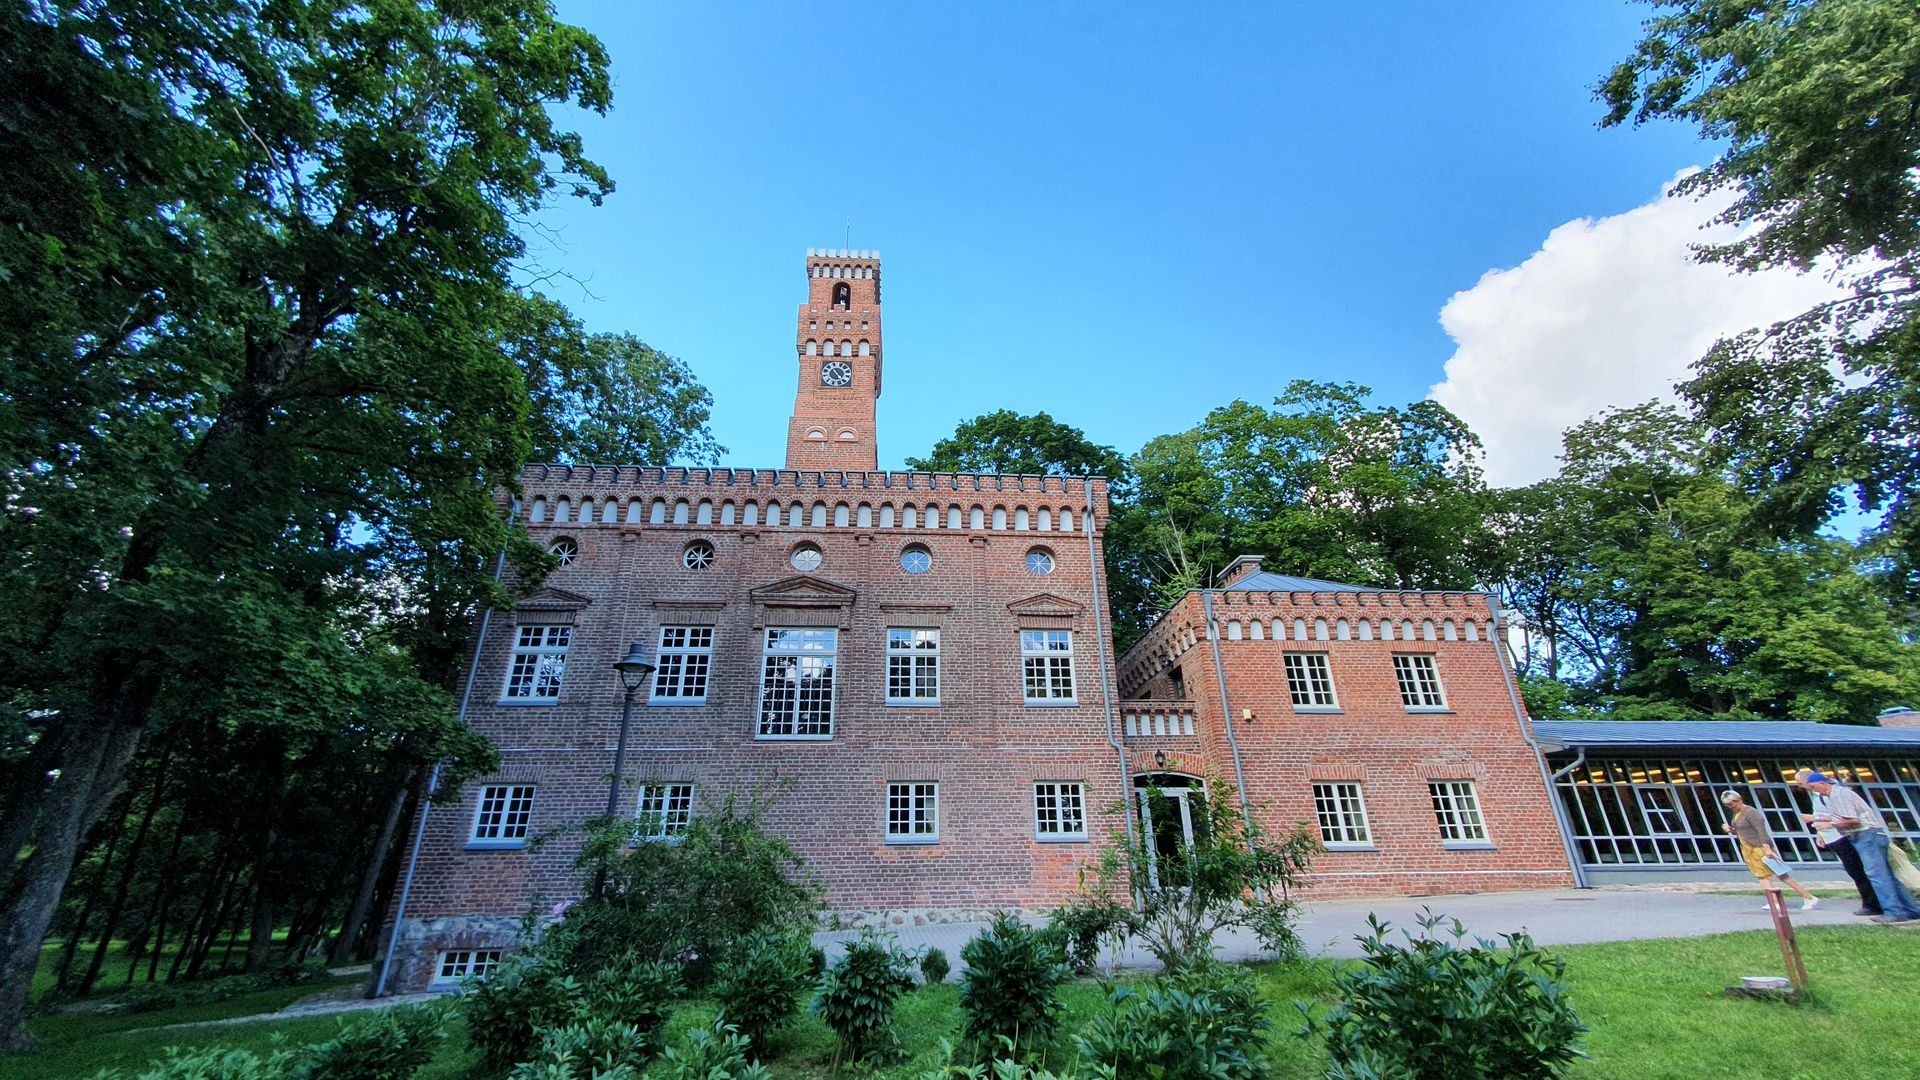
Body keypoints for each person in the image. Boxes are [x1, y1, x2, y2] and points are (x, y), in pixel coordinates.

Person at [1798, 771, 1920, 924]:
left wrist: (1828, 824)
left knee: (1876, 875)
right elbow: (1842, 815)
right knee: (1886, 875)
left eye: (1814, 787)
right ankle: (1911, 909)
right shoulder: (1837, 794)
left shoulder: (1838, 795)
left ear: (1824, 783)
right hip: (1872, 835)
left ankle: (1893, 911)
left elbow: (1853, 820)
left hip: (1866, 836)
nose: (1814, 790)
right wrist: (1818, 819)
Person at [1794, 768, 1881, 917]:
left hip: (1840, 837)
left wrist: (1816, 819)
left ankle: (1872, 904)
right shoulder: (1818, 795)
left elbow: (1841, 815)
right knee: (1853, 871)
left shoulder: (1828, 795)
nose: (1800, 786)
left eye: (1801, 783)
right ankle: (1871, 902)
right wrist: (1820, 833)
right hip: (1832, 837)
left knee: (1857, 871)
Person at [1720, 790, 1819, 910]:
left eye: (1731, 804)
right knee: (1766, 876)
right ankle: (1779, 901)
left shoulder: (1751, 812)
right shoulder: (1737, 814)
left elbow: (1761, 831)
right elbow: (1744, 832)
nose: (1730, 807)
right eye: (1727, 805)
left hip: (1759, 848)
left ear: (1738, 800)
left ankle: (1803, 898)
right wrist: (1731, 830)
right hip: (1748, 848)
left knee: (1777, 875)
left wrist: (1767, 848)